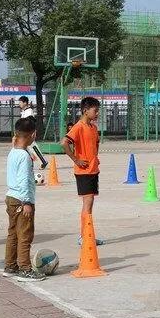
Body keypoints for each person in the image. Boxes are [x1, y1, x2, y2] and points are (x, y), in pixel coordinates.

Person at [4, 117, 43, 281]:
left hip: (11, 197)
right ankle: (25, 269)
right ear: (32, 135)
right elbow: (24, 181)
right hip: (21, 200)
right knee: (25, 235)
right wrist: (27, 202)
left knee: (13, 234)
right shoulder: (25, 156)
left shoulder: (13, 152)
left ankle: (10, 266)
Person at [61, 96, 103, 245]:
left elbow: (95, 144)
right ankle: (84, 236)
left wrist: (95, 157)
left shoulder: (93, 128)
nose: (97, 114)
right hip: (83, 171)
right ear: (85, 111)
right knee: (88, 202)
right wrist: (76, 159)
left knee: (90, 203)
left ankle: (88, 234)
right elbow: (64, 142)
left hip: (93, 170)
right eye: (95, 111)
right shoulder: (78, 127)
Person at [18, 96, 48, 169]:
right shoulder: (24, 111)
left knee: (33, 147)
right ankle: (28, 163)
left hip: (28, 133)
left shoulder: (29, 111)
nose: (19, 104)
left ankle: (43, 161)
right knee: (27, 149)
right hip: (24, 133)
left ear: (25, 102)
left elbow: (30, 121)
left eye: (20, 102)